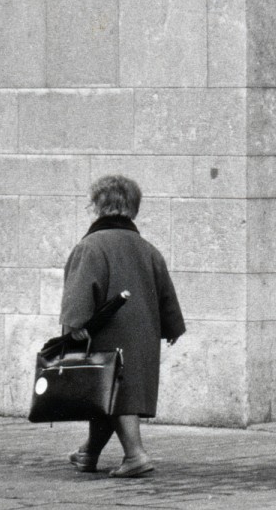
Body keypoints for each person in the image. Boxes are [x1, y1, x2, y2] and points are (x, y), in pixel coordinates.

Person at [62, 175, 186, 478]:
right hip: (142, 333)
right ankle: (88, 453)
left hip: (106, 333)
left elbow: (80, 290)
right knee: (109, 396)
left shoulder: (91, 246)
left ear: (98, 205)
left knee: (113, 392)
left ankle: (135, 455)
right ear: (134, 208)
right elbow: (165, 292)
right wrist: (171, 328)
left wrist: (74, 326)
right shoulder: (147, 248)